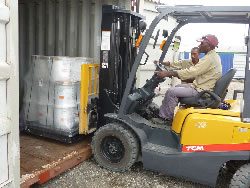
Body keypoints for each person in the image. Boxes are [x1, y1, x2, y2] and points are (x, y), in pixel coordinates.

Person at [153, 34, 222, 125]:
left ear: (208, 45)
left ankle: (165, 118)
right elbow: (181, 65)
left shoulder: (209, 58)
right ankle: (169, 111)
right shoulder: (213, 56)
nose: (199, 45)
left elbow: (192, 72)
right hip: (201, 87)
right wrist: (171, 71)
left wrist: (168, 73)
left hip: (201, 91)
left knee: (171, 92)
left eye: (201, 44)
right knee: (177, 86)